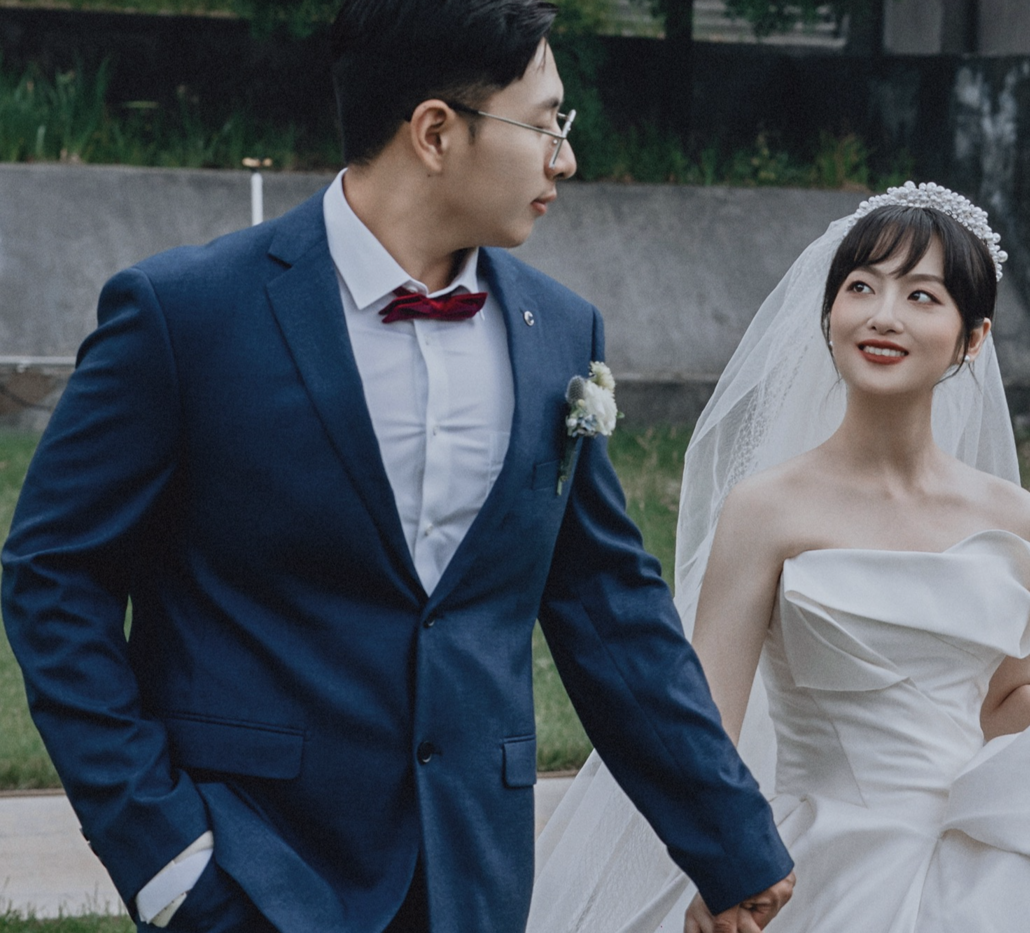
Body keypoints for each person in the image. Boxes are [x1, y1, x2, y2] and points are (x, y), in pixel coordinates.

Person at [0, 2, 796, 931]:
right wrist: (165, 855)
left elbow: (605, 603)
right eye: (546, 123)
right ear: (435, 132)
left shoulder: (560, 333)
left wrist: (729, 840)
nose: (566, 158)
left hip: (470, 877)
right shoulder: (185, 316)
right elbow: (54, 573)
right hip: (250, 870)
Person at [527, 183, 1030, 932]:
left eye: (922, 296)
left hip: (988, 829)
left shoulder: (1012, 516)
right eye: (861, 288)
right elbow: (706, 722)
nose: (883, 315)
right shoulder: (765, 509)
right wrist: (720, 861)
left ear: (974, 338)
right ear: (829, 312)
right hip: (830, 850)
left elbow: (1006, 698)